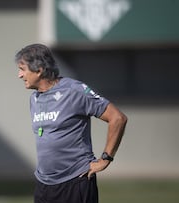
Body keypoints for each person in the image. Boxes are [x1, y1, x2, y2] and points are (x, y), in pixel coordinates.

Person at [15, 44, 127, 203]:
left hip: (75, 181)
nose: (19, 75)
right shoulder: (34, 99)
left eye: (22, 69)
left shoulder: (75, 90)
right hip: (44, 184)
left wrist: (105, 159)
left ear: (39, 70)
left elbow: (117, 118)